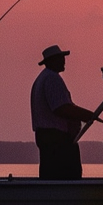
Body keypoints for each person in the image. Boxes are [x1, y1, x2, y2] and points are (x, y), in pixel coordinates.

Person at [31, 45, 97, 180]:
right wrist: (87, 115)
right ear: (51, 61)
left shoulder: (41, 78)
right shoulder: (52, 78)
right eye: (60, 58)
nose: (63, 61)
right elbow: (61, 108)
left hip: (47, 137)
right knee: (65, 176)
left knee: (50, 177)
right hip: (56, 139)